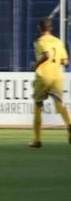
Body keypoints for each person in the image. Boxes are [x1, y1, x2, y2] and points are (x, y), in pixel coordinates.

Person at [29, 17, 71, 148]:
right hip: (57, 76)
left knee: (38, 105)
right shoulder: (58, 42)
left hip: (43, 76)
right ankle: (69, 125)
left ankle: (37, 140)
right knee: (59, 104)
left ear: (39, 28)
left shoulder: (39, 41)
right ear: (51, 28)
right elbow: (65, 61)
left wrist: (35, 64)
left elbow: (46, 55)